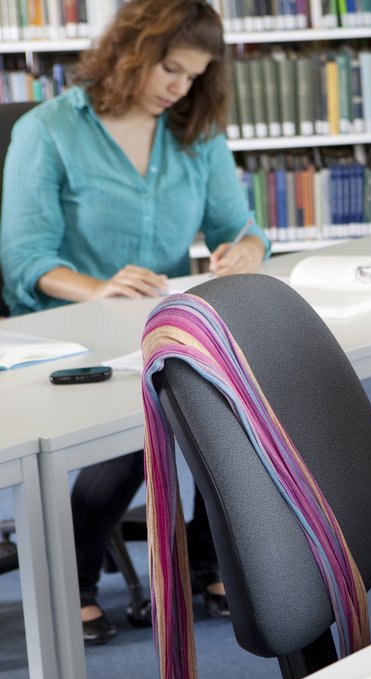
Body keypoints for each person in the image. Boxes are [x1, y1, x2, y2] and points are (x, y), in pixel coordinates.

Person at [0, 0, 269, 644]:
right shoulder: (49, 130)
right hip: (71, 332)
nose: (180, 88)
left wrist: (246, 251)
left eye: (194, 77)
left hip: (164, 327)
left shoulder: (194, 133)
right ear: (130, 50)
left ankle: (208, 564)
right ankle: (74, 583)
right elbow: (24, 260)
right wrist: (100, 288)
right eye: (171, 69)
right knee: (134, 437)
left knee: (233, 404)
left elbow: (243, 227)